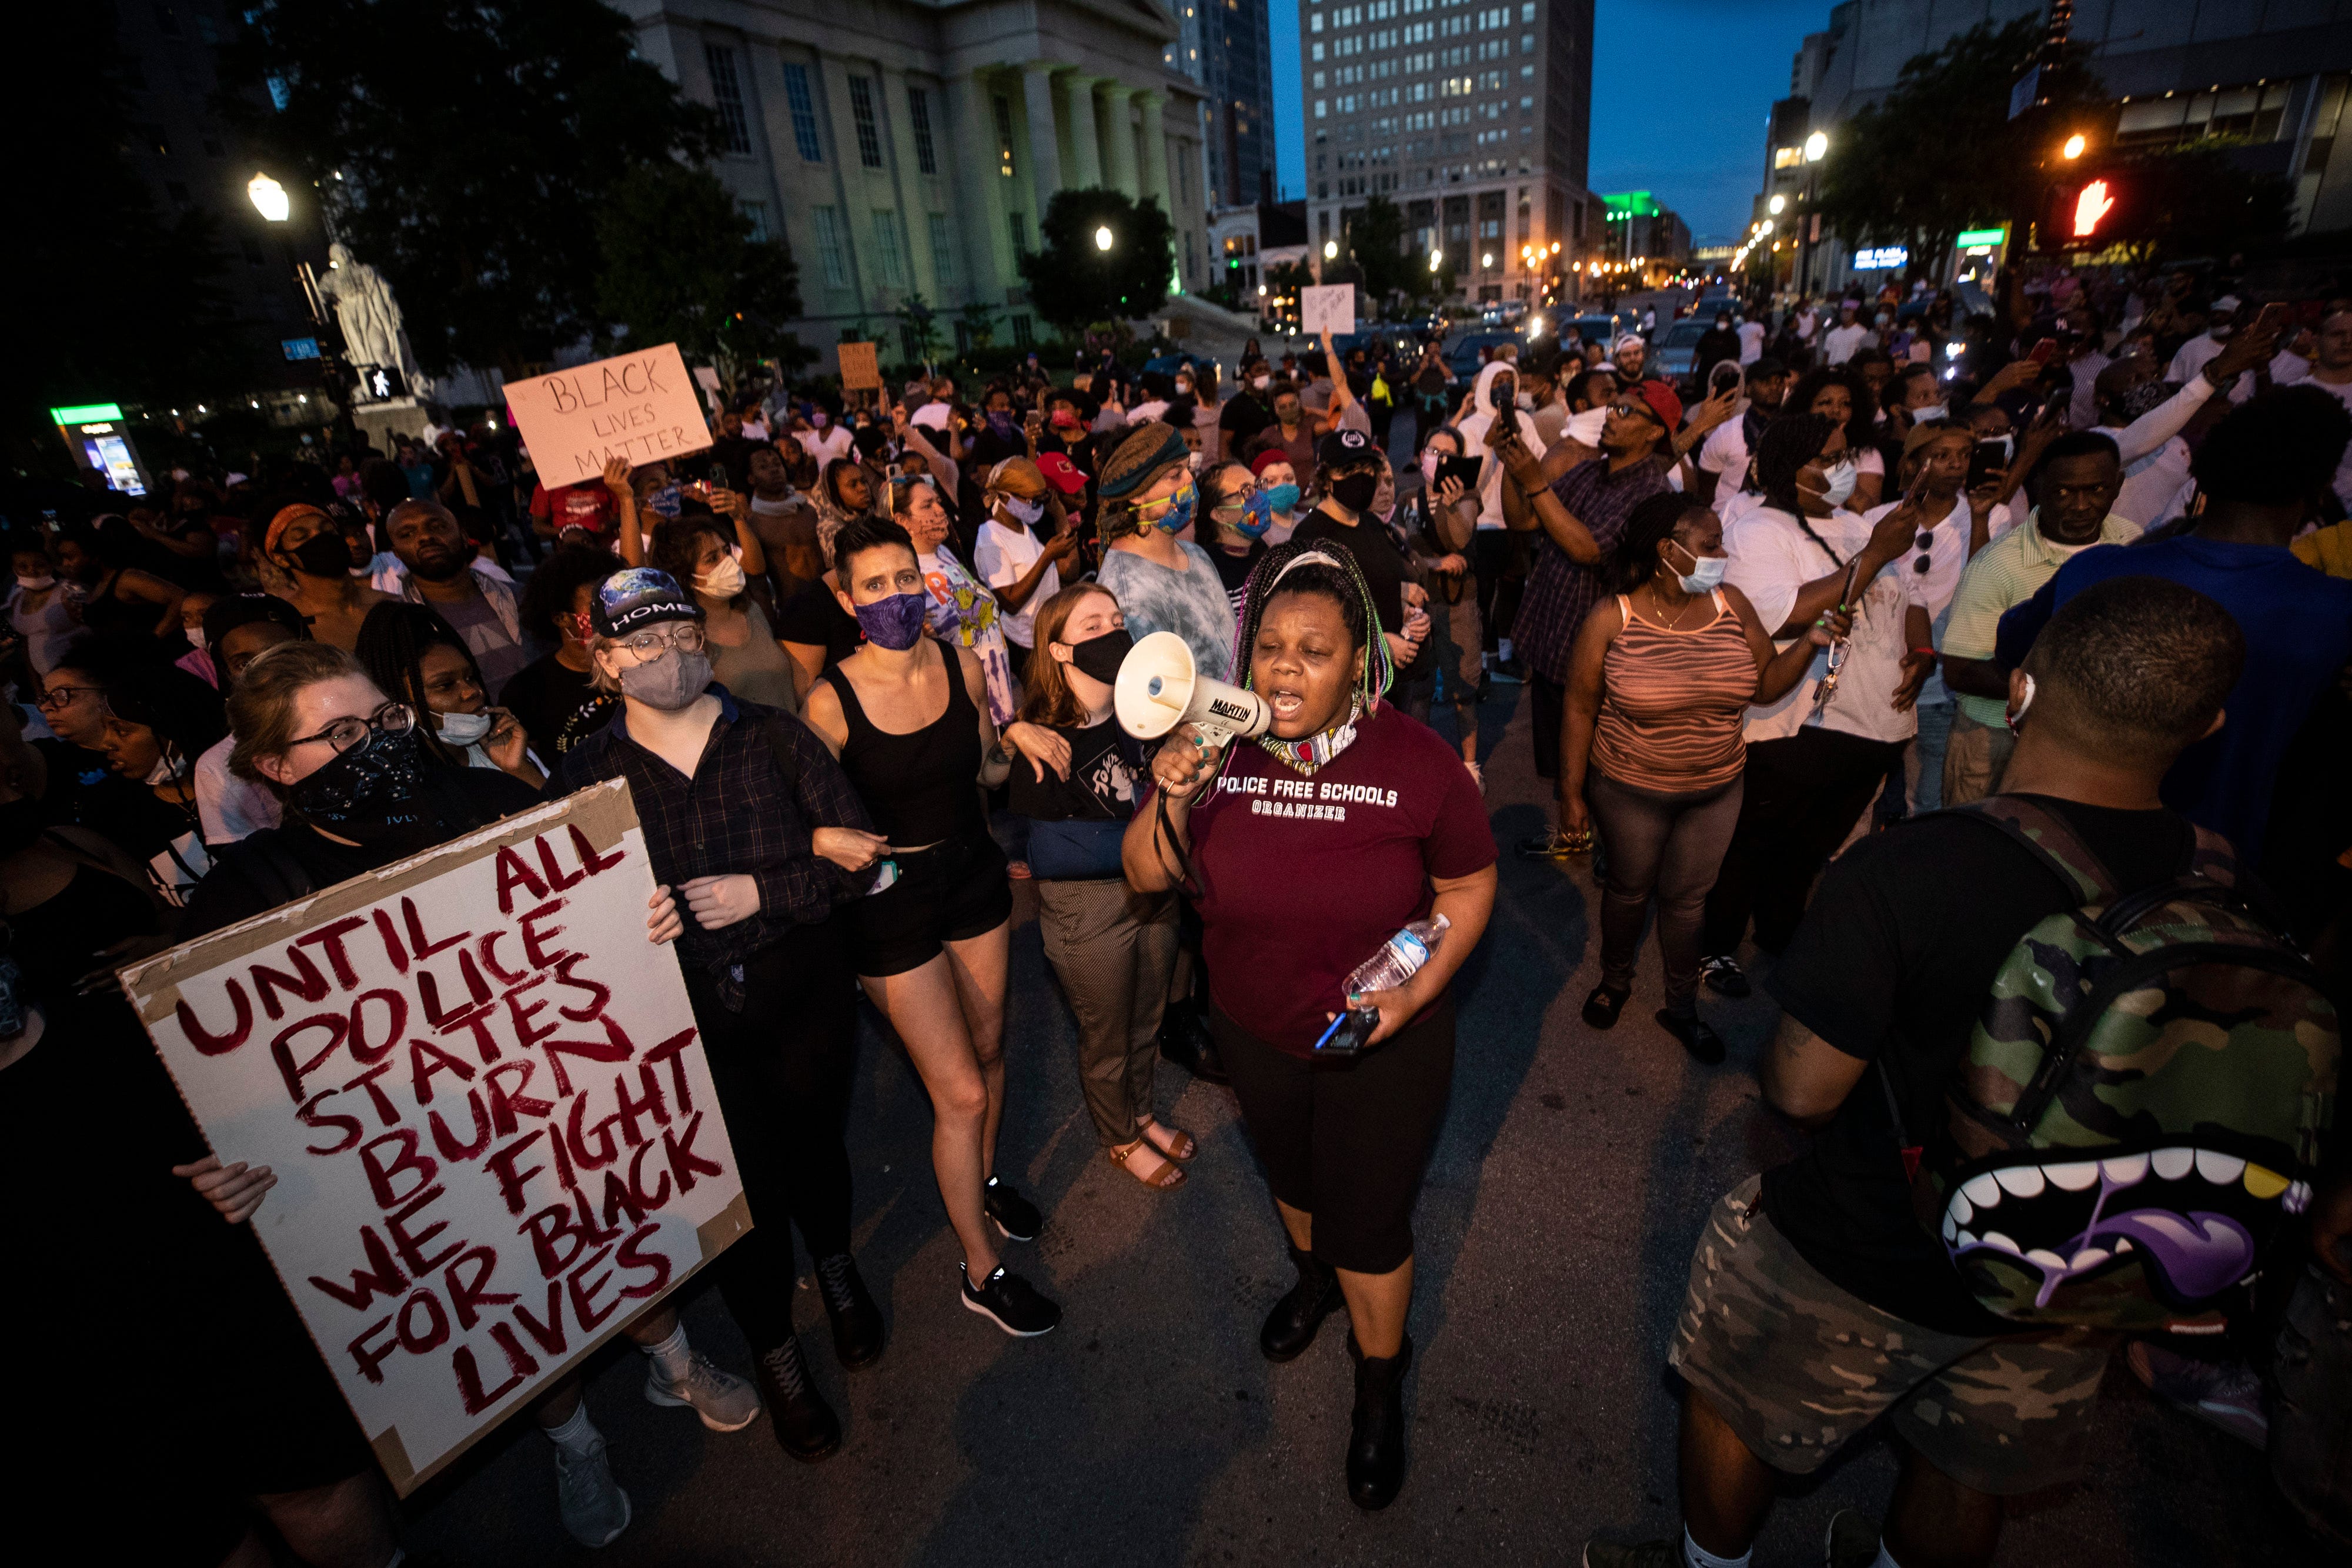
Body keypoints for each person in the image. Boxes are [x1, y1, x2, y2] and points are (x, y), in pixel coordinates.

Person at [1583, 576, 2250, 1568]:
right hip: (2067, 1264)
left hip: (1875, 1243)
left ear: (2019, 691)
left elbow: (1803, 1089)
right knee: (1967, 1463)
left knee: (1737, 1402)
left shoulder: (1912, 868)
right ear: (2208, 725)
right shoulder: (2218, 874)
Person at [187, 639, 759, 1545]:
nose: (375, 743)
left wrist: (639, 914)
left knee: (618, 1216)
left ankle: (673, 1359)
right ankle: (571, 1434)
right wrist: (228, 1158)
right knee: (514, 1283)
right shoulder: (248, 898)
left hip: (566, 1097)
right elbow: (227, 1075)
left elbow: (594, 898)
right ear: (273, 768)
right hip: (426, 1150)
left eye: (381, 720)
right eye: (339, 734)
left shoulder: (490, 805)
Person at [1123, 541, 1497, 1510]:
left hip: (1385, 1041)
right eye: (1273, 648)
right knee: (1291, 1175)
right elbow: (1143, 876)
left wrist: (1412, 991)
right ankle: (1313, 1279)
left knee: (1369, 1219)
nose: (1286, 668)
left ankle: (1379, 1377)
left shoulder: (1416, 763)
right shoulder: (1216, 749)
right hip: (1253, 1026)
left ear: (1360, 660)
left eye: (1315, 650)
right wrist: (1171, 788)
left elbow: (1465, 883)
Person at [552, 566, 891, 1464]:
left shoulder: (775, 738)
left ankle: (838, 1267)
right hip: (681, 1017)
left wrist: (763, 888)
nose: (669, 656)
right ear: (605, 658)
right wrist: (619, 921)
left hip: (802, 987)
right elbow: (555, 923)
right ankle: (775, 1350)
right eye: (644, 642)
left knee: (816, 1148)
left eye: (684, 636)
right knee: (736, 1194)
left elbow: (862, 859)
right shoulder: (583, 778)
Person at [800, 518, 1062, 1337]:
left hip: (972, 874)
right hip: (888, 900)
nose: (895, 597)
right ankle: (980, 1270)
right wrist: (818, 837)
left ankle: (980, 1184)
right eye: (873, 585)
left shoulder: (958, 662)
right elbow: (794, 818)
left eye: (905, 580)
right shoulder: (827, 701)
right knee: (961, 1091)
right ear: (845, 598)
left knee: (989, 1051)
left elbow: (983, 769)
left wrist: (1013, 730)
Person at [1995, 385, 2352, 863]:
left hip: (2060, 849)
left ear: (2201, 473)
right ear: (2320, 486)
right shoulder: (2335, 612)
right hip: (2220, 872)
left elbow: (2010, 647)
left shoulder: (2095, 569)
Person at [1559, 494, 1846, 1061]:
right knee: (1628, 890)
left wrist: (1811, 642)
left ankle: (1682, 1006)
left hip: (1716, 789)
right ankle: (1615, 982)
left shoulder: (1730, 603)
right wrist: (1571, 795)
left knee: (1688, 902)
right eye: (1710, 545)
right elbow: (1579, 708)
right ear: (1668, 551)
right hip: (1630, 790)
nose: (1722, 555)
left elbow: (1764, 685)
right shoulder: (1610, 619)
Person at [1695, 414, 1936, 998]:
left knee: (1808, 847)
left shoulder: (1856, 523)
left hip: (1876, 724)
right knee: (1752, 842)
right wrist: (1875, 554)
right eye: (1826, 460)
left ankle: (1780, 930)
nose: (1842, 470)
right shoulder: (1759, 530)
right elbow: (1790, 611)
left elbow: (1907, 599)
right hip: (1804, 724)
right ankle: (1716, 947)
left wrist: (1923, 650)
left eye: (1844, 456)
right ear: (1787, 469)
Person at [1007, 583, 1189, 1188]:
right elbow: (1052, 855)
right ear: (1058, 651)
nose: (1113, 632)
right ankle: (1119, 1138)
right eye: (1092, 626)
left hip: (1153, 896)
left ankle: (1141, 1113)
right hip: (1088, 909)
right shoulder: (1042, 738)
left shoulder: (1146, 719)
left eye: (1117, 619)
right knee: (1106, 1032)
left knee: (1147, 1018)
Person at [1512, 381, 1678, 857]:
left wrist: (1536, 482)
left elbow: (1587, 548)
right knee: (1564, 764)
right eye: (1614, 406)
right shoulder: (1590, 473)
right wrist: (1515, 466)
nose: (1612, 415)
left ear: (1653, 433)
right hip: (1555, 643)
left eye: (1627, 411)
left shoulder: (1650, 491)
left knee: (1599, 768)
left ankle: (1613, 854)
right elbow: (1525, 519)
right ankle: (1576, 835)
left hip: (1595, 657)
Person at [1934, 433, 2132, 809]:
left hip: (2090, 745)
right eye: (2063, 492)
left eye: (2097, 489)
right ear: (2038, 488)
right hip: (1994, 739)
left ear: (2118, 486)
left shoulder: (2131, 544)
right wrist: (2062, 697)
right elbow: (1960, 671)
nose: (2081, 505)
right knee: (1978, 849)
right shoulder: (1997, 565)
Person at [1290, 429, 1432, 695]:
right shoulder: (1310, 536)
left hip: (1396, 677)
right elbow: (1320, 617)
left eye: (1368, 469)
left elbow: (1380, 586)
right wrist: (1379, 644)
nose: (1362, 478)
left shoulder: (1371, 522)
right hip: (1354, 688)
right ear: (1326, 477)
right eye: (1350, 469)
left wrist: (1407, 612)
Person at [1096, 422, 1238, 683]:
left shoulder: (1195, 555)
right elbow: (1154, 695)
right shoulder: (1127, 592)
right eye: (1175, 475)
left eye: (1188, 469)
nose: (1189, 481)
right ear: (1136, 495)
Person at [355, 600, 544, 787]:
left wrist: (519, 770)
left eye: (471, 677)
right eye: (445, 685)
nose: (472, 692)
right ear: (398, 708)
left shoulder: (509, 749)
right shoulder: (407, 789)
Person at [645, 502, 799, 714]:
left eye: (726, 551)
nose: (727, 561)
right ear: (685, 577)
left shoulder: (752, 610)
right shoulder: (685, 642)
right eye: (712, 559)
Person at [891, 473, 1017, 725]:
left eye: (938, 501)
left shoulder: (944, 553)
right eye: (927, 505)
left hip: (998, 701)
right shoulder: (904, 574)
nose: (940, 510)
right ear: (903, 521)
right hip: (967, 710)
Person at [191, 593, 310, 845]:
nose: (266, 671)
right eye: (245, 663)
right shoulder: (216, 767)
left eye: (280, 653)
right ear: (226, 675)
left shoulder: (358, 720)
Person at [381, 498, 527, 691]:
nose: (425, 537)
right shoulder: (398, 625)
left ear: (464, 536)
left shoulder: (522, 597)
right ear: (396, 553)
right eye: (407, 534)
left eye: (438, 527)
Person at [497, 544, 626, 758]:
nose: (612, 613)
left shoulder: (640, 663)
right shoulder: (525, 692)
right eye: (598, 606)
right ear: (560, 618)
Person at [973, 457, 1080, 668]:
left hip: (1046, 634)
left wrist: (1059, 514)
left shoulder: (1024, 527)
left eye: (1040, 500)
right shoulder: (990, 538)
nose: (1036, 506)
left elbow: (1070, 572)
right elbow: (1010, 604)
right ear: (1005, 497)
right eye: (1031, 500)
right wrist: (1046, 557)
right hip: (1023, 643)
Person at [259, 504, 394, 650]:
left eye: (329, 531)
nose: (321, 538)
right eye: (302, 537)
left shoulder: (389, 605)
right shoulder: (290, 629)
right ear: (281, 559)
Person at [56, 519, 185, 640]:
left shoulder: (126, 579)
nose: (66, 564)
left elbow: (179, 597)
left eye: (70, 557)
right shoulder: (97, 584)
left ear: (94, 555)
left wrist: (153, 639)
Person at [1198, 459, 1272, 615]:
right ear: (1220, 514)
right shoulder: (1206, 569)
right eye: (1246, 490)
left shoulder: (1265, 554)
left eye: (1258, 487)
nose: (1258, 497)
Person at [7, 536, 77, 676]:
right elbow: (26, 645)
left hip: (81, 676)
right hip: (49, 682)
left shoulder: (70, 592)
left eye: (39, 565)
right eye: (23, 567)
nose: (32, 572)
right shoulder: (16, 600)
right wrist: (38, 688)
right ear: (15, 570)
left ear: (50, 565)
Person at [1248, 449, 1304, 545]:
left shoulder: (1308, 522)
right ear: (1257, 487)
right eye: (1271, 481)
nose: (1282, 486)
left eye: (1289, 479)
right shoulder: (1254, 530)